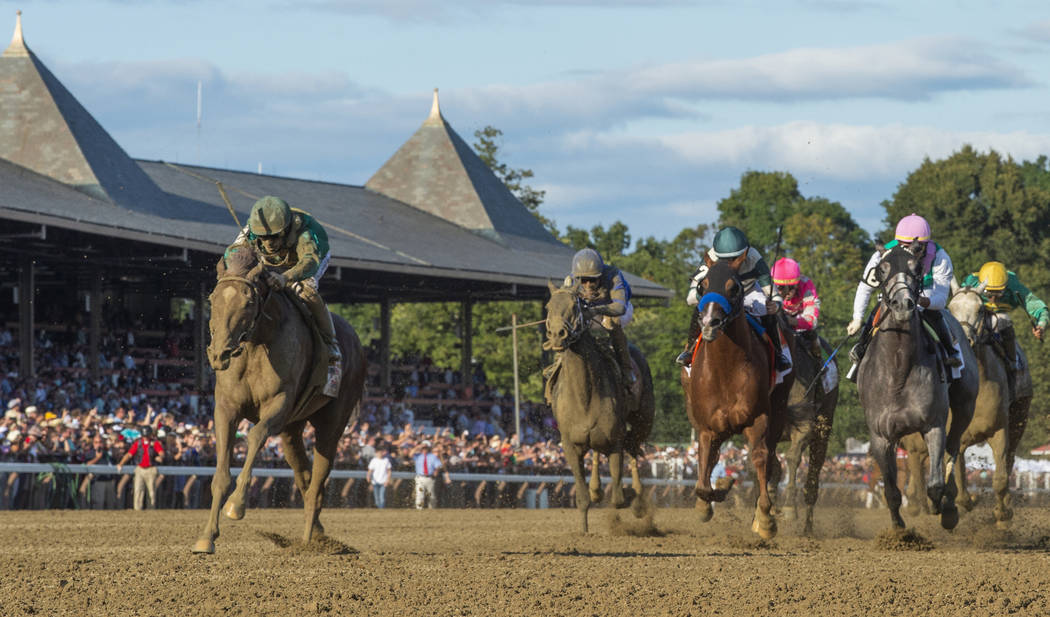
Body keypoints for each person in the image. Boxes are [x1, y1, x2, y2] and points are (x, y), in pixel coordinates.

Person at [223, 195, 341, 397]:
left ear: (286, 229)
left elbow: (309, 262)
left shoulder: (304, 232)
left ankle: (331, 345)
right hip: (271, 262)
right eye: (264, 238)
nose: (269, 243)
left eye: (274, 237)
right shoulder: (251, 230)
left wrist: (286, 278)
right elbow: (229, 255)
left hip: (307, 260)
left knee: (307, 292)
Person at [846, 213, 962, 379]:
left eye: (915, 246)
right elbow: (865, 286)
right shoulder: (883, 254)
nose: (909, 250)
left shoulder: (940, 257)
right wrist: (857, 318)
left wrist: (921, 300)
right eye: (903, 245)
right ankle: (861, 351)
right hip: (894, 297)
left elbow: (941, 298)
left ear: (926, 244)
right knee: (878, 310)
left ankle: (950, 351)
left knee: (934, 315)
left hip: (925, 295)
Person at [676, 226, 790, 370]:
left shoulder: (754, 256)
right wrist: (706, 296)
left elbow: (771, 292)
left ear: (745, 252)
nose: (730, 264)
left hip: (748, 291)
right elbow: (691, 298)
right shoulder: (710, 258)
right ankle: (690, 350)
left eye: (734, 259)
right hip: (722, 294)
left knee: (765, 309)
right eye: (725, 259)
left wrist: (776, 305)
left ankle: (778, 354)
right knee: (701, 307)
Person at [961, 261, 1048, 394]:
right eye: (988, 294)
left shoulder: (1014, 286)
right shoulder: (970, 282)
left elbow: (1040, 307)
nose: (993, 299)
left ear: (1006, 287)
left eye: (999, 294)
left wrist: (1041, 325)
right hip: (975, 316)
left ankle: (1012, 367)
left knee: (1004, 320)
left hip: (998, 319)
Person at [570, 248, 636, 385]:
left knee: (611, 322)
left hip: (618, 307)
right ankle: (560, 362)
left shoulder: (613, 274)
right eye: (584, 280)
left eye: (592, 280)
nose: (588, 285)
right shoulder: (572, 279)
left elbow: (620, 307)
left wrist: (595, 310)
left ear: (600, 275)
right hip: (591, 308)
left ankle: (626, 368)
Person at [771, 257, 822, 357]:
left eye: (790, 287)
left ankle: (819, 358)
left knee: (811, 334)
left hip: (800, 319)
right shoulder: (768, 286)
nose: (785, 293)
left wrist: (788, 320)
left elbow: (811, 320)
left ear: (797, 284)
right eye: (779, 287)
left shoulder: (807, 286)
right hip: (779, 320)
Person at [116, 425, 164, 510]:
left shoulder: (154, 443)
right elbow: (129, 454)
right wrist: (121, 463)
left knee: (151, 492)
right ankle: (138, 509)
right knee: (138, 491)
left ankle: (151, 509)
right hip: (140, 468)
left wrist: (159, 457)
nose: (145, 438)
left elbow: (161, 453)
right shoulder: (138, 444)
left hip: (151, 468)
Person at [412, 440, 442, 509]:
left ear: (428, 449)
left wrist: (436, 471)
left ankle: (431, 510)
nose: (424, 449)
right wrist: (418, 446)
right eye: (423, 448)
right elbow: (410, 454)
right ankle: (419, 510)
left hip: (430, 478)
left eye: (426, 448)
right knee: (419, 495)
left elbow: (438, 465)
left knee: (431, 496)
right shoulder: (417, 456)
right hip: (420, 478)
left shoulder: (433, 456)